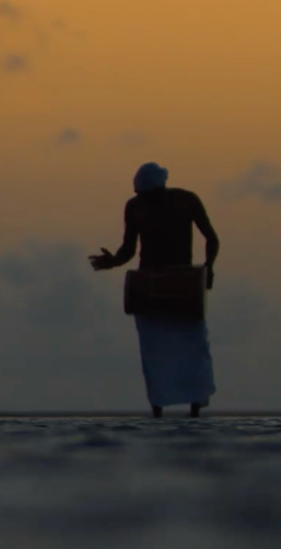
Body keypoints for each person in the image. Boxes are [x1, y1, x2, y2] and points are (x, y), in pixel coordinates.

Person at [89, 162, 219, 418]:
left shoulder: (185, 200)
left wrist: (208, 268)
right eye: (140, 195)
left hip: (183, 284)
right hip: (150, 286)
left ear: (161, 190)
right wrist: (113, 260)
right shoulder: (135, 206)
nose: (144, 200)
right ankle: (158, 410)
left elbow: (212, 238)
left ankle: (194, 411)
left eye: (147, 196)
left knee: (192, 350)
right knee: (155, 354)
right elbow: (128, 248)